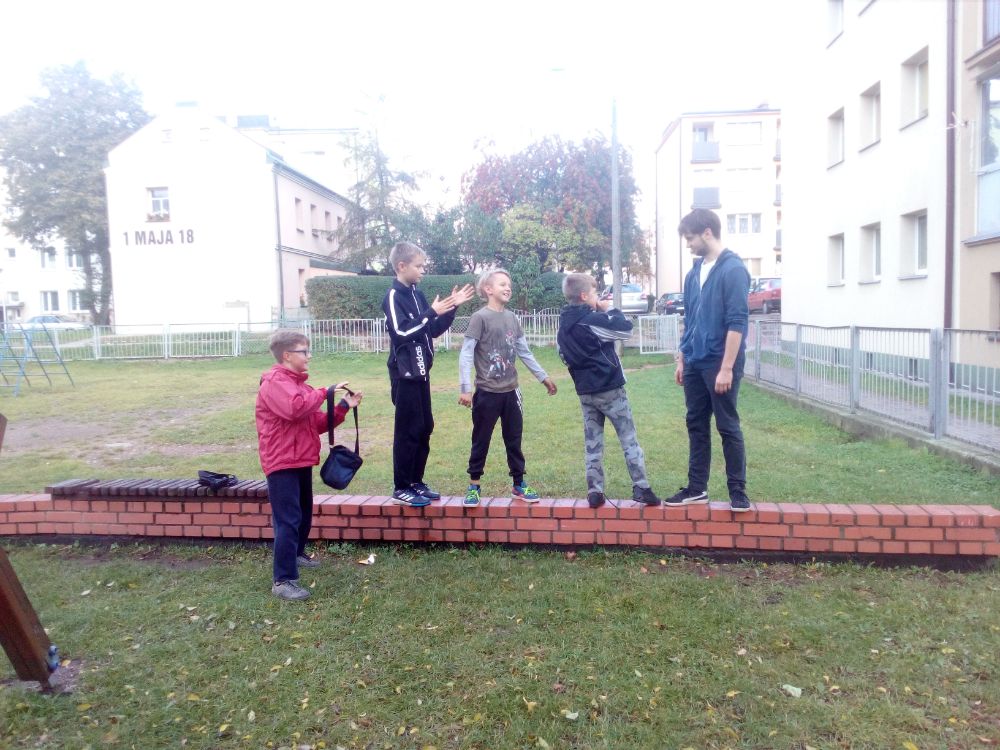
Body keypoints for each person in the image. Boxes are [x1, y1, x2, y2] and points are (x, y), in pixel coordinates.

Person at [256, 329, 363, 601]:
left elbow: (316, 423)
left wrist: (343, 406)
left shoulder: (300, 387)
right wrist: (324, 392)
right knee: (288, 519)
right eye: (304, 351)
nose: (309, 356)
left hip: (300, 458)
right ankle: (283, 580)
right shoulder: (274, 382)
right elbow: (294, 409)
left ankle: (296, 554)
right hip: (281, 461)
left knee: (302, 513)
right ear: (287, 355)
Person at [667, 208, 752, 512]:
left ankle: (738, 492)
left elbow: (737, 322)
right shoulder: (693, 273)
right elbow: (689, 320)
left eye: (690, 238)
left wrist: (726, 368)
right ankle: (696, 489)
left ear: (707, 233)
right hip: (694, 362)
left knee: (727, 426)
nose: (688, 244)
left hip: (720, 363)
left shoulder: (733, 270)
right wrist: (682, 358)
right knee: (696, 424)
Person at [556, 273, 661, 509]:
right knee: (628, 439)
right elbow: (625, 330)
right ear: (585, 296)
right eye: (595, 293)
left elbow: (562, 354)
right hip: (610, 389)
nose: (598, 297)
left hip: (585, 392)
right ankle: (641, 487)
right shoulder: (591, 320)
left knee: (593, 443)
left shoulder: (563, 325)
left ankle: (595, 491)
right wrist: (610, 309)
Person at [383, 241, 475, 507]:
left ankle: (415, 481)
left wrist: (451, 308)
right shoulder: (393, 296)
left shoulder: (417, 294)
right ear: (402, 266)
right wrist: (430, 313)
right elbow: (401, 333)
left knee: (424, 426)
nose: (423, 270)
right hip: (404, 374)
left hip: (422, 372)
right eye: (419, 266)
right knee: (407, 430)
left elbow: (431, 329)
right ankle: (401, 487)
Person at [458, 269, 558, 507]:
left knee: (514, 439)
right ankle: (474, 486)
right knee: (481, 439)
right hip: (486, 393)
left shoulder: (512, 318)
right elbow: (466, 353)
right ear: (488, 289)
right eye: (502, 284)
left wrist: (542, 377)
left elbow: (524, 351)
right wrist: (465, 388)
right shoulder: (480, 318)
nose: (508, 287)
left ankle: (518, 484)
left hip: (512, 392)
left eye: (509, 284)